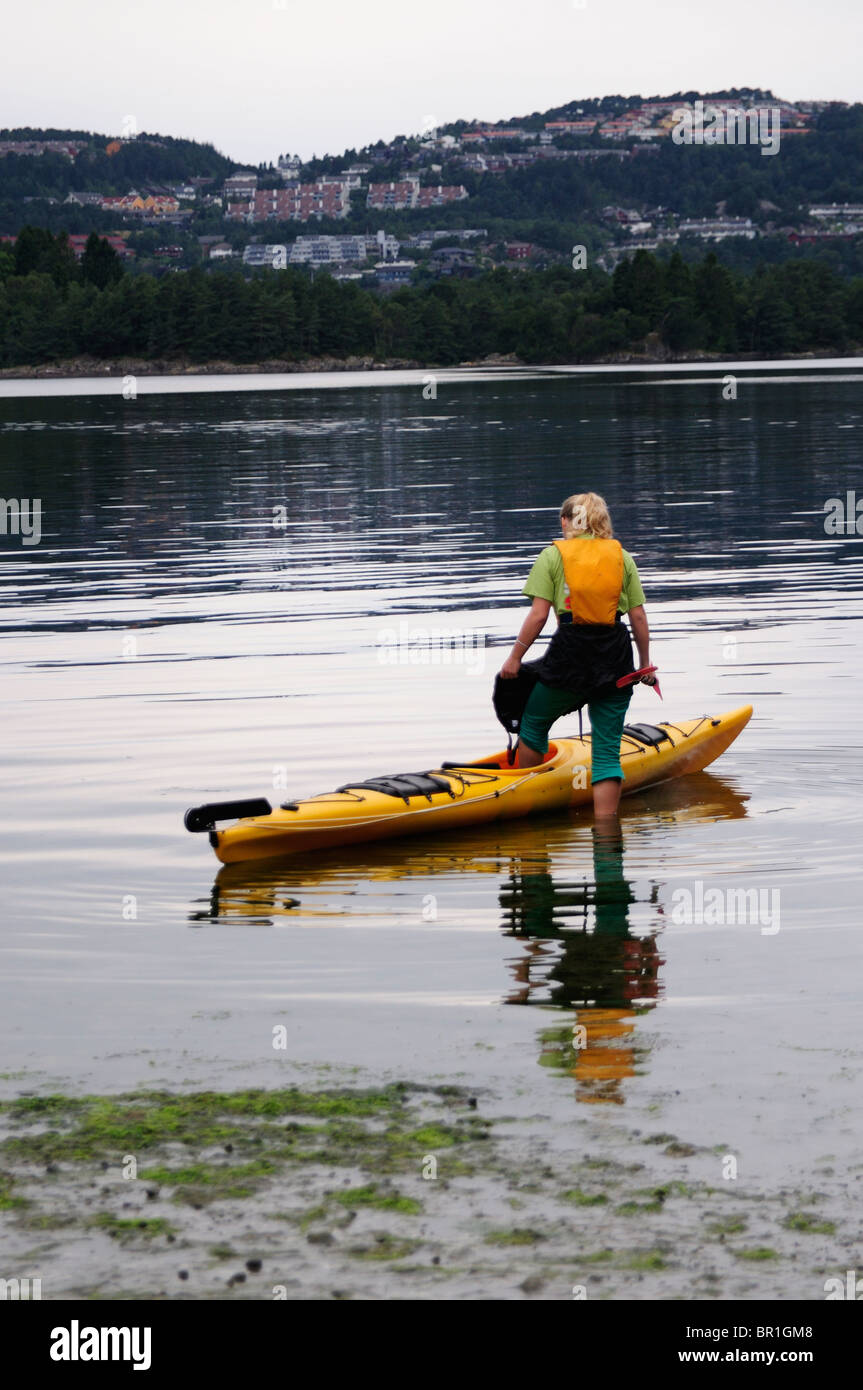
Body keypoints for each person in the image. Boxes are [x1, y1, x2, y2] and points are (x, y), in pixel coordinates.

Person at [498, 492, 655, 817]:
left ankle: (528, 807)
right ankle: (607, 833)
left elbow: (539, 616)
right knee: (607, 751)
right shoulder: (621, 557)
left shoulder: (552, 556)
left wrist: (514, 658)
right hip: (615, 655)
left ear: (566, 522)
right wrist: (644, 666)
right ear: (601, 522)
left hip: (570, 655)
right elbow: (638, 617)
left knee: (534, 723)